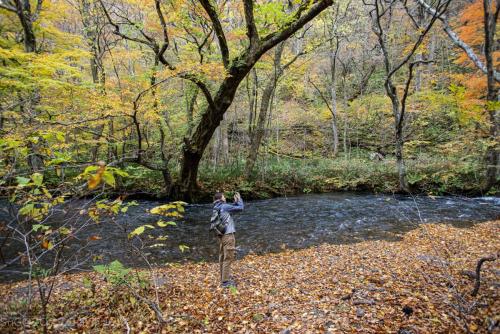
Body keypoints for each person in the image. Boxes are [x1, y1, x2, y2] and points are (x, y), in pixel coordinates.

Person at [212, 191, 244, 288]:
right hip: (228, 235)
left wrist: (235, 202)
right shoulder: (224, 206)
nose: (225, 198)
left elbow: (231, 207)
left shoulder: (216, 207)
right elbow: (241, 208)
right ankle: (225, 282)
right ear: (221, 198)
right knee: (228, 258)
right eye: (224, 196)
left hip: (221, 236)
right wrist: (239, 199)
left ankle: (223, 279)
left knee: (222, 257)